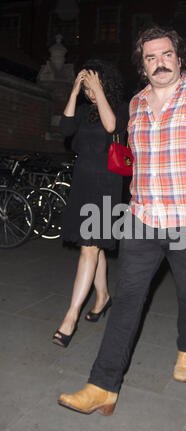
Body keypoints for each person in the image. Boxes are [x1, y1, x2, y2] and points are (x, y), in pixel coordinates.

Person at [58, 25, 186, 413]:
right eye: (150, 57)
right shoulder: (138, 104)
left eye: (166, 54)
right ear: (142, 66)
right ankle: (102, 387)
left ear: (179, 57)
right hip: (143, 220)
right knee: (126, 300)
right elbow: (135, 162)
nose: (160, 62)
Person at [52, 59, 129, 347]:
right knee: (91, 247)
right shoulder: (82, 111)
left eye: (91, 86)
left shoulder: (121, 107)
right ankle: (104, 297)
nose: (88, 92)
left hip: (106, 187)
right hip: (83, 184)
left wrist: (99, 90)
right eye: (85, 88)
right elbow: (65, 130)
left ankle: (70, 317)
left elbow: (111, 126)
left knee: (89, 247)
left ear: (105, 83)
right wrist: (73, 91)